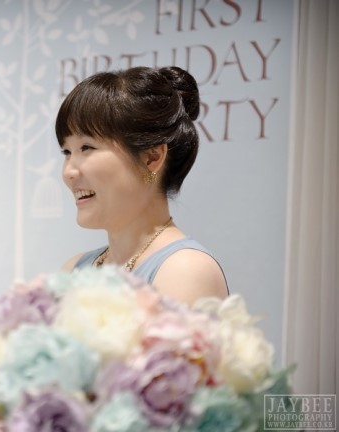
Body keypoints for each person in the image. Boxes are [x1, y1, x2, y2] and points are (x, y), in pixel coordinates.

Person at [56, 66, 228, 305]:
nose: (68, 172)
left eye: (87, 147)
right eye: (67, 152)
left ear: (152, 157)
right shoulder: (74, 269)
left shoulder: (185, 270)